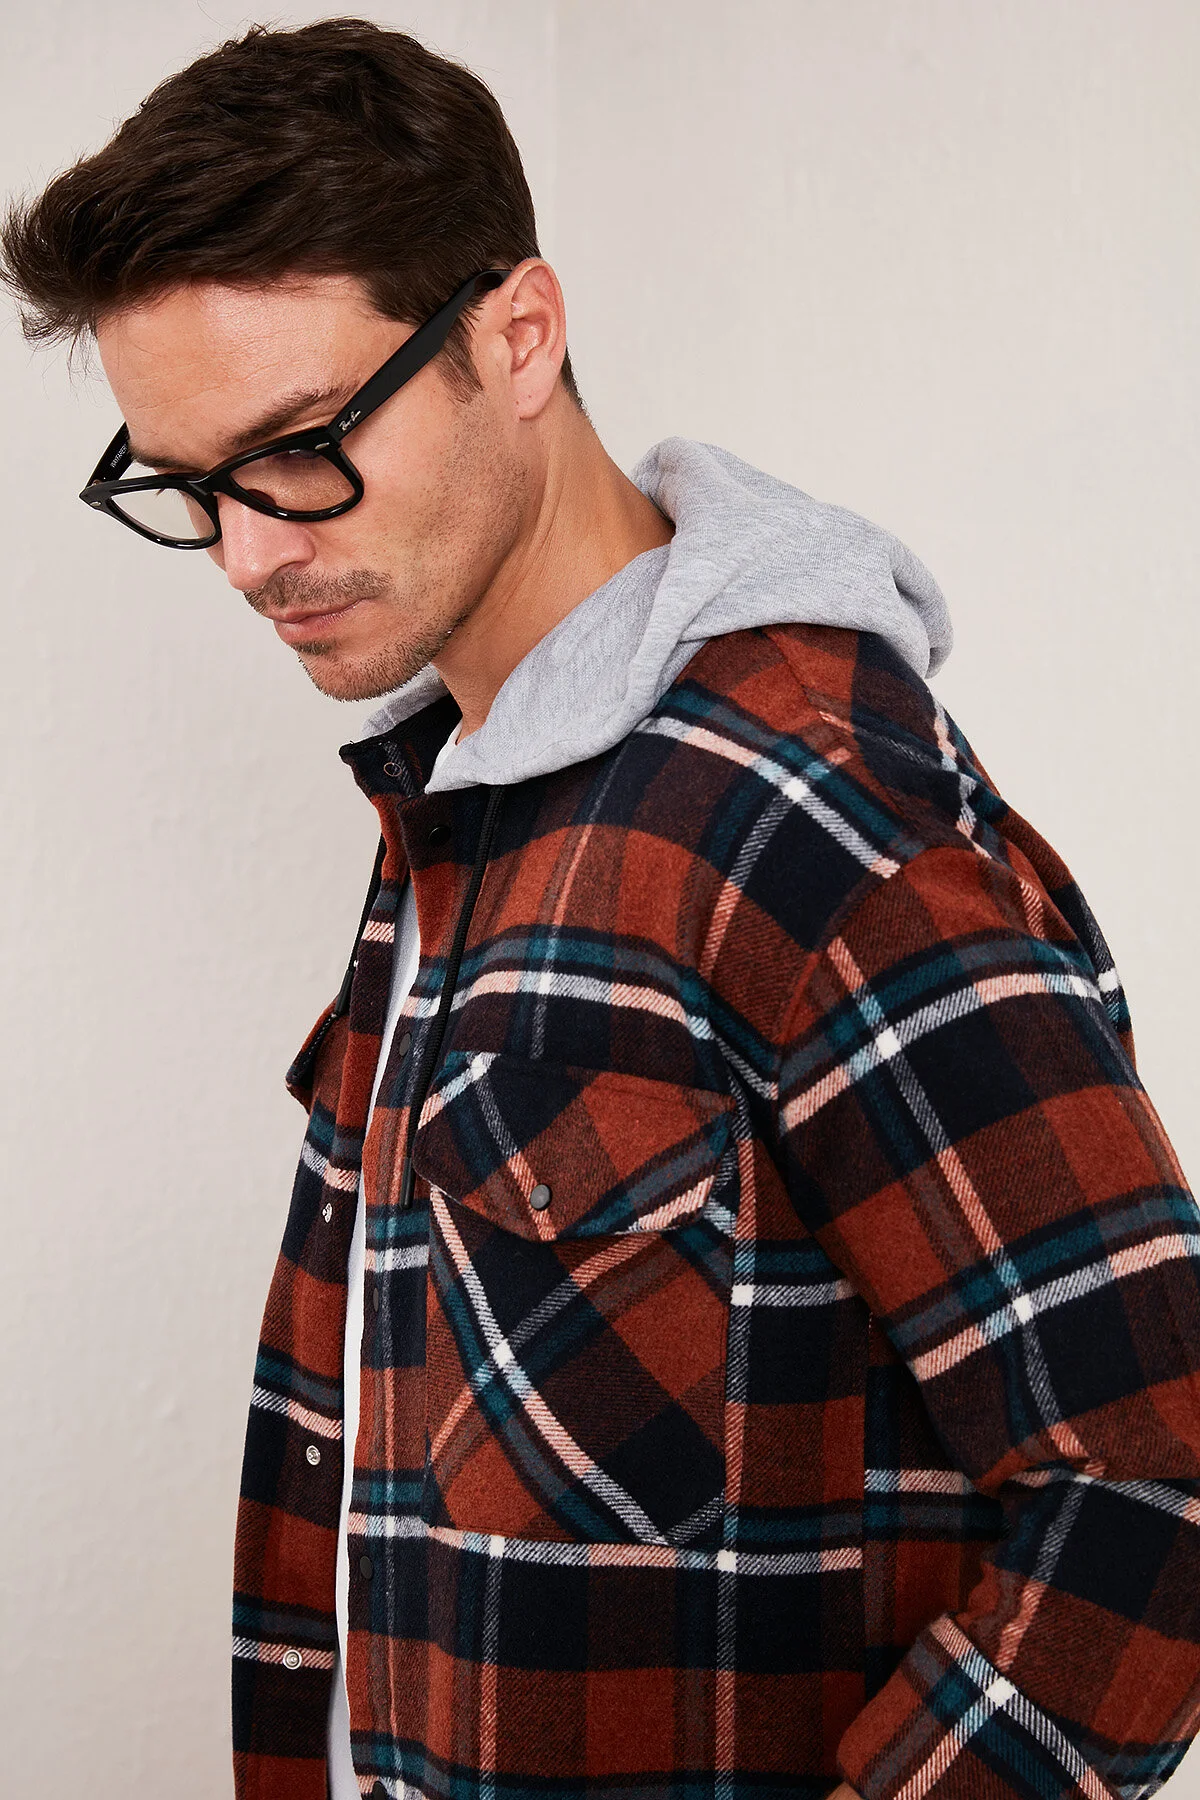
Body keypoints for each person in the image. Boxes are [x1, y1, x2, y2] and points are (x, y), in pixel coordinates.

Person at [5, 17, 1200, 1800]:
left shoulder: (804, 813)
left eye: (301, 448)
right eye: (187, 487)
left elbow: (1155, 1489)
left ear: (520, 337)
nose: (250, 554)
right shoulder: (464, 792)